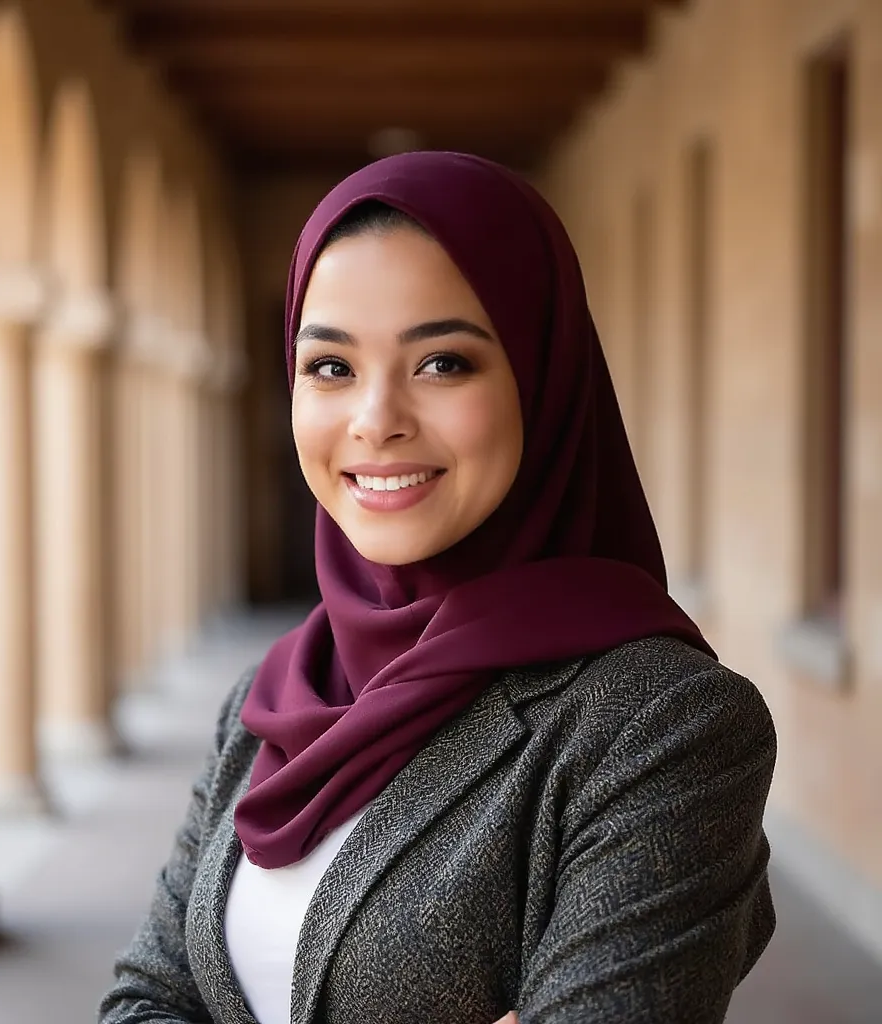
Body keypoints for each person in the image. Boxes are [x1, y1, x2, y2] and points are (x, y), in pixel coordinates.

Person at [98, 151, 776, 1024]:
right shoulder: (270, 698)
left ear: (543, 381)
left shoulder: (663, 726)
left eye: (444, 363)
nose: (376, 419)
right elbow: (141, 1001)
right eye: (331, 367)